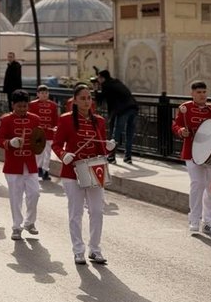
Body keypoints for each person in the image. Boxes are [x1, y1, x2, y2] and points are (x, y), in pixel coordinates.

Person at [53, 82, 115, 265]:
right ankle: (78, 250)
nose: (87, 101)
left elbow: (101, 148)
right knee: (76, 212)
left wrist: (108, 147)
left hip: (94, 169)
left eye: (89, 98)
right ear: (75, 100)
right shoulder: (65, 119)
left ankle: (95, 249)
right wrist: (63, 155)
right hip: (72, 170)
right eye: (82, 98)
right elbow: (57, 144)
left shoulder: (99, 121)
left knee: (97, 211)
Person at [172, 81, 211, 236]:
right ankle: (194, 219)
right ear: (192, 94)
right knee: (197, 184)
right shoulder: (185, 108)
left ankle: (208, 222)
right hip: (192, 153)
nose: (202, 95)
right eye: (199, 92)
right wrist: (181, 131)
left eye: (204, 92)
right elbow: (176, 125)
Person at [0, 89, 41, 240]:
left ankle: (30, 222)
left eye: (25, 106)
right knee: (15, 197)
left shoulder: (35, 119)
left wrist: (39, 144)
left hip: (30, 164)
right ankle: (16, 226)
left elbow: (39, 138)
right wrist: (10, 143)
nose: (22, 109)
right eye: (19, 106)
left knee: (35, 193)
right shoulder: (6, 120)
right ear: (12, 105)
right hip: (13, 165)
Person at [94, 69, 138, 164]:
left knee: (116, 135)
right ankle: (128, 157)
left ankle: (111, 156)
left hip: (122, 110)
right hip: (133, 108)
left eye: (99, 78)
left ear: (102, 78)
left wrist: (96, 89)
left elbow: (100, 100)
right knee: (129, 134)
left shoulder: (106, 85)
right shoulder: (116, 82)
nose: (98, 80)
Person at [30, 84, 58, 180]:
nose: (44, 95)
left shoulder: (53, 105)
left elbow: (55, 119)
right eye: (42, 93)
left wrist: (56, 128)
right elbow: (31, 118)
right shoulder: (32, 104)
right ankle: (38, 168)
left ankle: (45, 170)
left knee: (48, 152)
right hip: (38, 132)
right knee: (39, 152)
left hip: (49, 133)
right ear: (38, 94)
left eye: (46, 93)